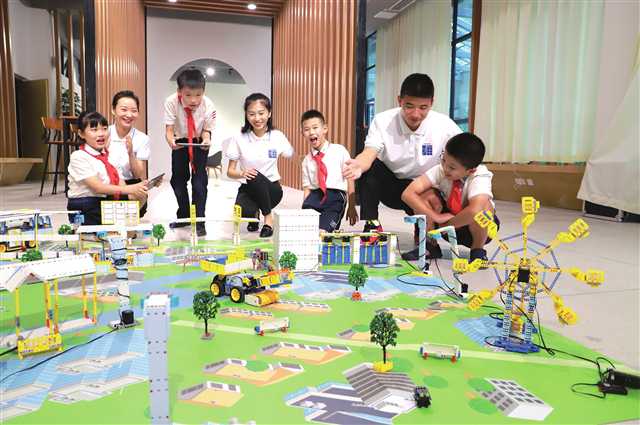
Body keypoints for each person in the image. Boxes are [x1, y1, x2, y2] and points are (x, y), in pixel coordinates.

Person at [342, 73, 461, 241]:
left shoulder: (444, 125)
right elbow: (369, 153)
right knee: (370, 169)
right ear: (399, 101)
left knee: (459, 226)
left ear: (432, 103)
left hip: (425, 188)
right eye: (409, 106)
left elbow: (464, 155)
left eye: (423, 108)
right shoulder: (383, 121)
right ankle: (372, 225)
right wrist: (358, 165)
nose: (415, 114)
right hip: (393, 188)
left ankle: (424, 233)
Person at [401, 132, 499, 263]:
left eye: (452, 167)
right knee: (427, 195)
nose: (445, 168)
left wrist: (447, 225)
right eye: (443, 160)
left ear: (471, 170)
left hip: (472, 230)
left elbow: (474, 211)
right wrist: (435, 217)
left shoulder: (480, 176)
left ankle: (478, 251)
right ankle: (430, 246)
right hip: (445, 222)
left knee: (484, 207)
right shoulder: (441, 170)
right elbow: (408, 193)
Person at [225, 93, 293, 238]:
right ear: (246, 115)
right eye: (252, 114)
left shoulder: (277, 136)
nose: (257, 118)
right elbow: (230, 171)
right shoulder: (238, 137)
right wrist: (242, 173)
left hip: (272, 189)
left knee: (255, 175)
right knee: (243, 211)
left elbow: (292, 155)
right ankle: (254, 214)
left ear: (269, 113)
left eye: (261, 113)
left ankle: (268, 219)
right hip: (248, 188)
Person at [67, 112, 148, 225]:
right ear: (81, 133)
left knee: (140, 195)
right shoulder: (79, 156)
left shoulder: (108, 155)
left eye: (104, 129)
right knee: (114, 228)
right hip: (86, 204)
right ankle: (118, 227)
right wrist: (131, 189)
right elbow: (98, 188)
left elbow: (120, 183)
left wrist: (140, 188)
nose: (101, 134)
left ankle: (123, 226)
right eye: (94, 130)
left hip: (104, 200)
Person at [164, 68, 216, 237]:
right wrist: (171, 141)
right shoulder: (171, 102)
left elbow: (207, 131)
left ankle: (199, 221)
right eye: (188, 95)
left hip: (199, 141)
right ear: (179, 91)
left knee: (199, 182)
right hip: (180, 141)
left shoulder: (209, 105)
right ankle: (184, 216)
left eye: (198, 95)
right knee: (177, 181)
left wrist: (206, 140)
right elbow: (169, 130)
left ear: (204, 92)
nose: (194, 100)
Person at [300, 109, 358, 232]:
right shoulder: (306, 160)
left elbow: (350, 178)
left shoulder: (339, 150)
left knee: (323, 232)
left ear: (325, 129)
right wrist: (304, 212)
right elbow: (307, 189)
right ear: (303, 133)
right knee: (306, 231)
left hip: (335, 197)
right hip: (315, 196)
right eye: (307, 129)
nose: (311, 132)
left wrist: (352, 206)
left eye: (315, 127)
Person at [108, 90, 151, 216]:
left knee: (141, 193)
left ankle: (126, 220)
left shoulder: (142, 138)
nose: (129, 114)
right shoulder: (104, 133)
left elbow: (137, 174)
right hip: (107, 182)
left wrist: (131, 153)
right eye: (124, 110)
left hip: (130, 182)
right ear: (113, 110)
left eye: (134, 111)